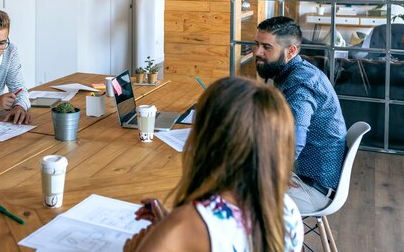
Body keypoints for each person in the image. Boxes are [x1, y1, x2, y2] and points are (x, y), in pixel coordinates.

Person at [124, 77, 304, 252]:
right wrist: (170, 224)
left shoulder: (185, 226)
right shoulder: (287, 210)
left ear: (206, 140)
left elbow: (197, 232)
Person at [254, 16, 347, 213]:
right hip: (306, 177)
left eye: (266, 47)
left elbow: (294, 138)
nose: (257, 52)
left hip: (310, 188)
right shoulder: (292, 73)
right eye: (257, 44)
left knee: (230, 193)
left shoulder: (300, 84)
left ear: (291, 51)